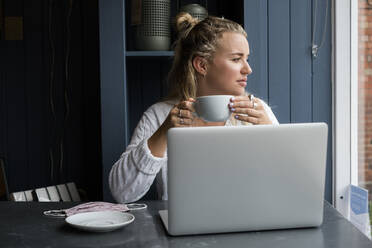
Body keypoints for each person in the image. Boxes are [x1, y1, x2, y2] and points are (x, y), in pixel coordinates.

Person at [109, 13, 279, 203]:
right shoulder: (159, 116)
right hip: (180, 230)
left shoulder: (258, 112)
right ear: (201, 65)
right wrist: (164, 133)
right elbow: (122, 193)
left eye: (247, 58)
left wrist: (271, 134)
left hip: (249, 226)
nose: (248, 69)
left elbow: (284, 183)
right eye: (236, 59)